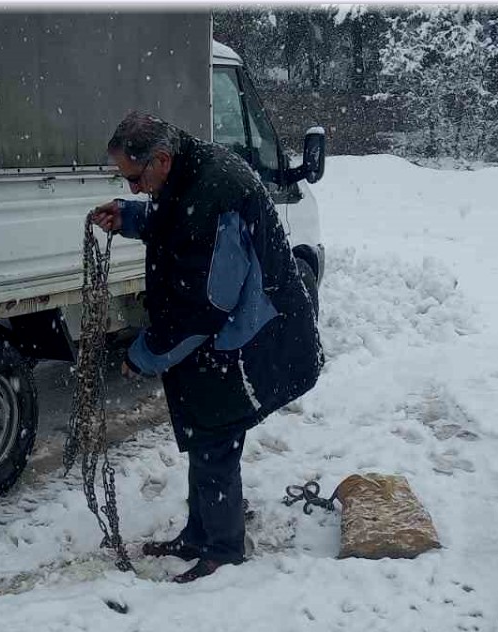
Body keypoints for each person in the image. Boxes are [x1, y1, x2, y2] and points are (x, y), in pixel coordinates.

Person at [89, 111, 323, 583]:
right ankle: (200, 533)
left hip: (250, 337)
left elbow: (207, 305)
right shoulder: (190, 171)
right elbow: (180, 222)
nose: (133, 188)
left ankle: (222, 550)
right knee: (204, 434)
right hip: (227, 335)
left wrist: (145, 355)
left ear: (160, 159)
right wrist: (132, 218)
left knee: (216, 436)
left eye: (135, 180)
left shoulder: (214, 190)